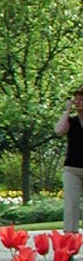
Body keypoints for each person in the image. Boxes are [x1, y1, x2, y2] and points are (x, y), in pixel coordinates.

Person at [56, 86, 83, 233]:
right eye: (76, 100)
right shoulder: (71, 122)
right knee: (71, 205)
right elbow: (59, 130)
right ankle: (69, 243)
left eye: (81, 99)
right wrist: (67, 110)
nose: (78, 102)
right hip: (72, 169)